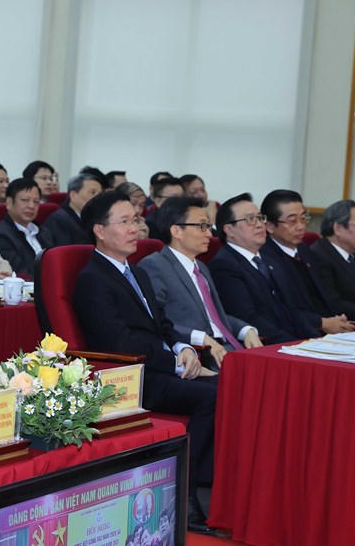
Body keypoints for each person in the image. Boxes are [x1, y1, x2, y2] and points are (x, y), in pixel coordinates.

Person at [72, 190, 217, 535]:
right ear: (99, 230)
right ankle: (187, 496)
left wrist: (183, 347)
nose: (135, 228)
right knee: (211, 396)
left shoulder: (137, 272)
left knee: (229, 385)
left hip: (161, 365)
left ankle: (215, 486)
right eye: (124, 221)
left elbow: (162, 324)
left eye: (136, 220)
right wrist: (176, 363)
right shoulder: (92, 280)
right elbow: (119, 343)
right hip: (132, 377)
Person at [138, 196, 262, 370]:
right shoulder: (155, 265)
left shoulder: (201, 267)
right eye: (202, 226)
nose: (210, 234)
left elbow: (216, 318)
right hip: (200, 355)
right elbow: (154, 320)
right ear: (177, 231)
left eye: (209, 227)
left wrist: (246, 330)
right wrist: (199, 337)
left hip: (229, 349)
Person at [259, 189, 355, 336]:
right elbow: (281, 310)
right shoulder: (264, 258)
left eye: (303, 219)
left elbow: (322, 296)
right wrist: (322, 323)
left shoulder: (305, 250)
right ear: (270, 226)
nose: (301, 226)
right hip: (295, 334)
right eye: (292, 221)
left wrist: (337, 320)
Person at [209, 193, 302, 343]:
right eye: (250, 219)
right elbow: (248, 318)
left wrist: (314, 339)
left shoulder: (269, 259)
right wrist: (293, 343)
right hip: (265, 344)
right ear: (229, 230)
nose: (259, 225)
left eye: (260, 218)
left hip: (292, 340)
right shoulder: (224, 266)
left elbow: (291, 308)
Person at [0, 177, 54, 279]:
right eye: (25, 200)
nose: (31, 206)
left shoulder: (44, 232)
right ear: (9, 203)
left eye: (36, 201)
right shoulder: (1, 236)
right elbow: (20, 273)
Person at [42, 173, 103, 246]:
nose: (98, 198)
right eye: (92, 192)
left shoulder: (97, 219)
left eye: (100, 194)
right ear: (73, 195)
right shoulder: (59, 220)